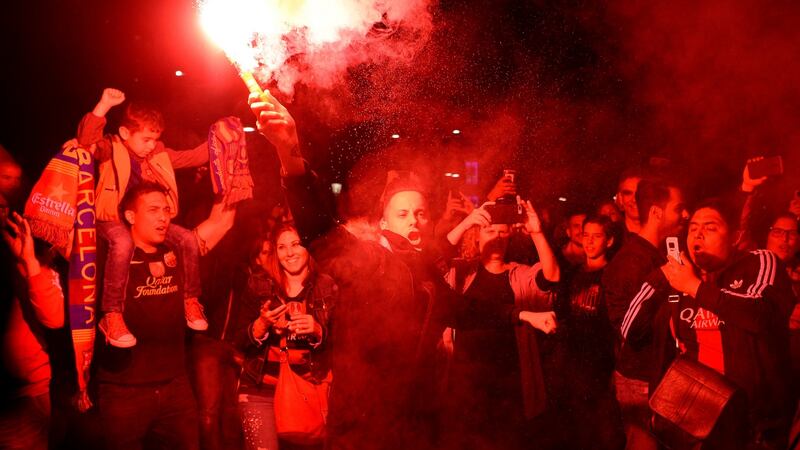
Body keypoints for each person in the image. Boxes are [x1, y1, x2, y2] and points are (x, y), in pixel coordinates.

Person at [74, 88, 217, 347]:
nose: (151, 145)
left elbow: (193, 157)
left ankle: (190, 301)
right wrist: (104, 105)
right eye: (146, 139)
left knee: (187, 239)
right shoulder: (110, 148)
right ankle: (112, 314)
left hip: (145, 221)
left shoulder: (157, 154)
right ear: (125, 133)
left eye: (155, 139)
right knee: (123, 243)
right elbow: (84, 141)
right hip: (112, 217)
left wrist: (223, 139)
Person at [661, 199, 795, 449]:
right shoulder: (683, 277)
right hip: (702, 422)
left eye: (710, 227)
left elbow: (760, 315)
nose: (698, 234)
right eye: (693, 228)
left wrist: (695, 287)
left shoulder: (759, 262)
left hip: (754, 425)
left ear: (736, 236)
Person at [440, 198, 559, 449]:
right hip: (466, 379)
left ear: (509, 238)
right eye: (489, 230)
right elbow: (433, 260)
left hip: (509, 380)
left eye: (502, 232)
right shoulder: (461, 270)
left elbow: (552, 276)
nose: (496, 236)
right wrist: (465, 223)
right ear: (478, 237)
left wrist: (536, 232)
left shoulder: (520, 274)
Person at [93, 182, 200, 450]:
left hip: (175, 386)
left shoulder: (178, 251)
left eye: (166, 210)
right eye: (153, 210)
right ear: (131, 216)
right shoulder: (110, 256)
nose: (163, 217)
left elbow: (216, 226)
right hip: (124, 391)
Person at [602, 177, 689, 450]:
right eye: (679, 208)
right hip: (641, 383)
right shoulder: (631, 261)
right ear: (655, 212)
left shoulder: (659, 253)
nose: (686, 214)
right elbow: (628, 330)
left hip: (662, 377)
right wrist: (661, 278)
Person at [229, 224, 335, 450]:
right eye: (282, 247)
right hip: (260, 391)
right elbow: (237, 341)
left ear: (308, 247)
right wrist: (261, 325)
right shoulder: (258, 284)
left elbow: (344, 345)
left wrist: (318, 331)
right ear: (275, 253)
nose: (289, 253)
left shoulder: (326, 285)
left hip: (307, 392)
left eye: (296, 244)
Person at [553, 215, 625, 450]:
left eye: (597, 236)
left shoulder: (613, 275)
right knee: (576, 427)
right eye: (586, 235)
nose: (590, 242)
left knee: (600, 431)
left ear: (609, 241)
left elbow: (617, 326)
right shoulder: (573, 273)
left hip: (600, 365)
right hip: (573, 362)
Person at [1, 211, 65, 450]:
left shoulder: (33, 256)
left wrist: (28, 262)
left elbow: (55, 318)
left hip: (23, 395)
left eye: (3, 207)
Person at [616, 167, 644, 235]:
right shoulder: (613, 234)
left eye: (640, 193)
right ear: (620, 198)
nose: (634, 199)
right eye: (628, 193)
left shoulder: (662, 234)